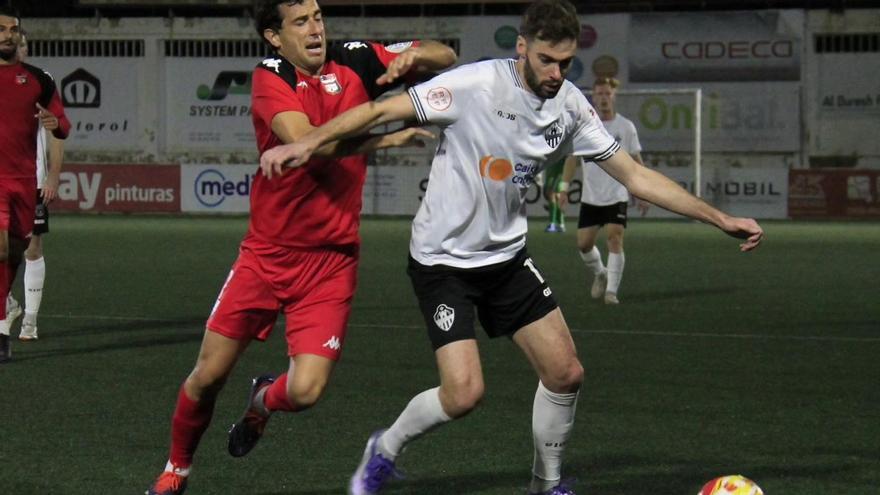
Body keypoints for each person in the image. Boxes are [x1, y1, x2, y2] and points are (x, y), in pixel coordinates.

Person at [262, 1, 763, 494]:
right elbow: (379, 108)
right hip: (443, 263)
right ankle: (385, 449)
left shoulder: (571, 107)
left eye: (566, 63)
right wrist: (309, 142)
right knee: (463, 395)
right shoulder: (474, 86)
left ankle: (545, 485)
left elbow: (634, 175)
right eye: (546, 59)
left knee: (566, 373)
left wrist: (719, 219)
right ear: (522, 47)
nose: (555, 72)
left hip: (506, 260)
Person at [144, 1, 456, 494]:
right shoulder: (271, 75)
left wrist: (413, 58)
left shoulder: (356, 58)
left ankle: (262, 402)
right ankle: (176, 469)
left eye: (317, 17)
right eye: (301, 22)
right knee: (206, 377)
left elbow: (445, 56)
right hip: (267, 257)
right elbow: (306, 144)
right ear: (274, 37)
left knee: (306, 391)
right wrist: (381, 141)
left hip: (332, 261)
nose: (316, 29)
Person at [0, 9, 70, 364]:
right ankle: (7, 313)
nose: (14, 41)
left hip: (30, 180)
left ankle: (25, 316)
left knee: (27, 249)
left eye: (17, 35)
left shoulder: (39, 82)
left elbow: (57, 131)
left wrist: (53, 176)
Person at [558, 77, 643, 305]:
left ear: (614, 95)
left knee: (614, 238)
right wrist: (563, 188)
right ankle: (601, 273)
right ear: (593, 96)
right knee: (583, 244)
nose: (604, 98)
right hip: (591, 197)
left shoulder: (626, 127)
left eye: (608, 93)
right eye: (600, 94)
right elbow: (571, 160)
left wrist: (643, 191)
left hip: (617, 195)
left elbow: (636, 161)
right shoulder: (585, 125)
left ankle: (611, 292)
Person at [542, 157, 566, 232]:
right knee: (556, 197)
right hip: (554, 173)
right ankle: (560, 225)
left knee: (553, 196)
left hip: (555, 174)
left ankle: (553, 224)